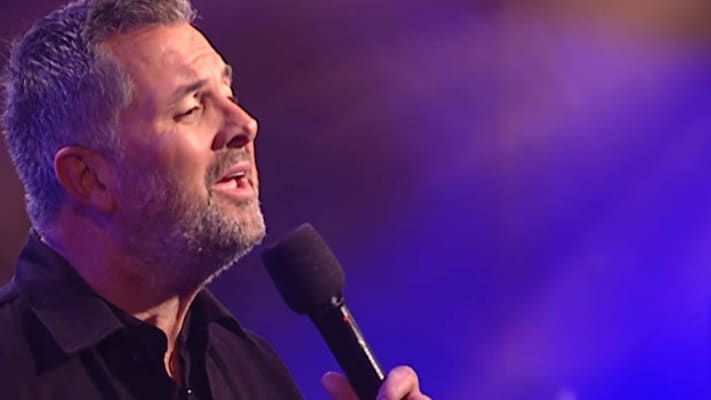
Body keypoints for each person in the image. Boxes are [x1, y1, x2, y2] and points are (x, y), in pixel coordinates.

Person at [0, 0, 429, 399]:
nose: (246, 124)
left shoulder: (250, 367)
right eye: (191, 108)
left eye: (230, 94)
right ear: (90, 178)